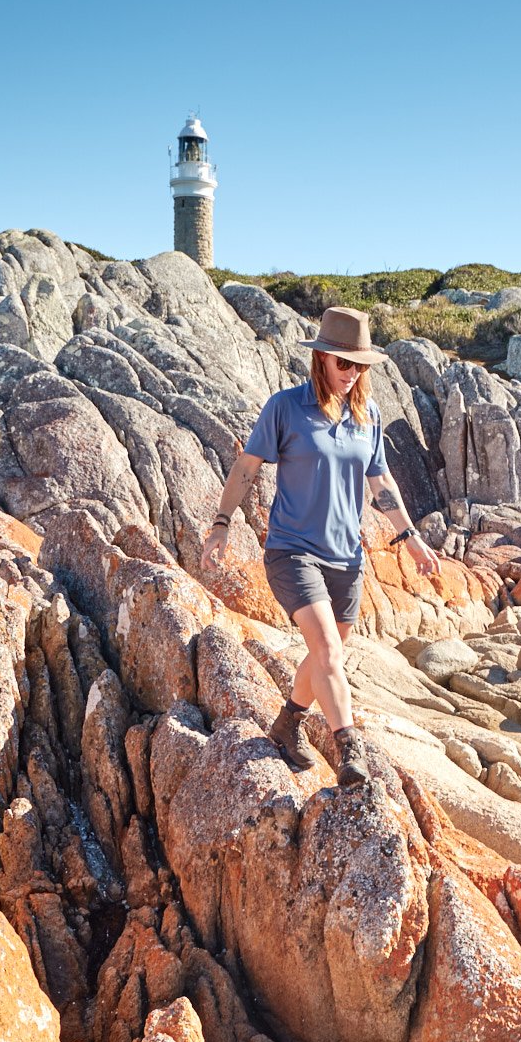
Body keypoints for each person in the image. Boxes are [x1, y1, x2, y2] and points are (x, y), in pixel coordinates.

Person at [202, 305, 439, 787]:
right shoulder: (286, 407)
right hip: (292, 552)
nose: (352, 373)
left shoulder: (367, 414)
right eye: (343, 363)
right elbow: (246, 467)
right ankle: (348, 746)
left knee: (326, 653)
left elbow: (381, 482)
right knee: (327, 646)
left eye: (360, 365)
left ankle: (287, 724)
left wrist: (410, 536)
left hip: (346, 558)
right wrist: (222, 523)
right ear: (322, 359)